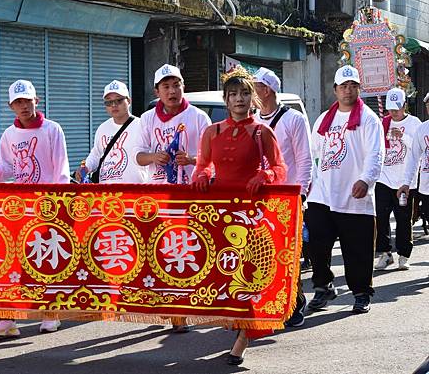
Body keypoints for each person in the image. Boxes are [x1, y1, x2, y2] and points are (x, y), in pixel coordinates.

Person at [193, 65, 287, 366]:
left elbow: (280, 168)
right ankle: (235, 324)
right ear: (225, 99)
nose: (239, 99)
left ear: (254, 98)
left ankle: (244, 338)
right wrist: (201, 175)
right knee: (223, 274)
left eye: (245, 93)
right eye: (233, 94)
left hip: (252, 215)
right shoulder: (212, 131)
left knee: (249, 276)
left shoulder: (263, 132)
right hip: (220, 216)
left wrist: (267, 176)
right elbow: (203, 166)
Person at [0, 79, 70, 336]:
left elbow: (61, 169)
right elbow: (9, 167)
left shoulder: (53, 130)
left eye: (26, 101)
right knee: (11, 262)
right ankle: (8, 318)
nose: (23, 106)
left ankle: (50, 313)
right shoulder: (9, 134)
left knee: (46, 260)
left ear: (36, 101)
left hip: (48, 205)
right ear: (11, 106)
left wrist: (59, 202)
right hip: (20, 207)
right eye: (17, 102)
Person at [134, 63, 211, 333]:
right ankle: (171, 306)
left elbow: (211, 158)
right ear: (157, 91)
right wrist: (155, 157)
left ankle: (184, 307)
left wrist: (190, 159)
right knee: (160, 251)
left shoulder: (198, 117)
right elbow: (138, 156)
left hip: (190, 193)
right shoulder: (146, 119)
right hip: (157, 195)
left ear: (183, 87)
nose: (172, 91)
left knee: (188, 250)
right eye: (166, 86)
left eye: (176, 85)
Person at [306, 65, 384, 314]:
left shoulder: (369, 119)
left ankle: (361, 293)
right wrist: (312, 183)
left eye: (353, 86)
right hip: (323, 194)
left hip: (354, 195)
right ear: (335, 90)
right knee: (317, 245)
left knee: (357, 249)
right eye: (343, 86)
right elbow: (314, 154)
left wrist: (366, 180)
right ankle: (322, 287)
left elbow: (376, 154)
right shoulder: (323, 119)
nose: (348, 91)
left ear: (359, 89)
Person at [253, 67, 313, 327]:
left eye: (254, 88)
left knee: (288, 255)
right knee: (262, 255)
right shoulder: (253, 120)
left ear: (266, 90)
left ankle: (295, 302)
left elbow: (304, 160)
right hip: (259, 199)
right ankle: (270, 301)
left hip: (287, 197)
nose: (250, 94)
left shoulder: (294, 120)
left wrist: (300, 194)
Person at [374, 88, 421, 270]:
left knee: (403, 219)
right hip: (384, 178)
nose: (393, 112)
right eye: (390, 109)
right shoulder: (383, 123)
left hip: (405, 180)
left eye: (397, 108)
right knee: (381, 217)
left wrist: (404, 137)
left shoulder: (414, 123)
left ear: (404, 106)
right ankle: (385, 254)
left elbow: (419, 149)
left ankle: (403, 254)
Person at [74, 80, 146, 184]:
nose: (113, 105)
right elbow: (96, 154)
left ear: (129, 101)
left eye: (119, 100)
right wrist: (86, 167)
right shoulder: (102, 128)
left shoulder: (142, 125)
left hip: (134, 192)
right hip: (106, 193)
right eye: (108, 102)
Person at [397, 91, 429, 265]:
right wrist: (406, 183)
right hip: (426, 188)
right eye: (428, 104)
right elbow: (412, 159)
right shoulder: (422, 129)